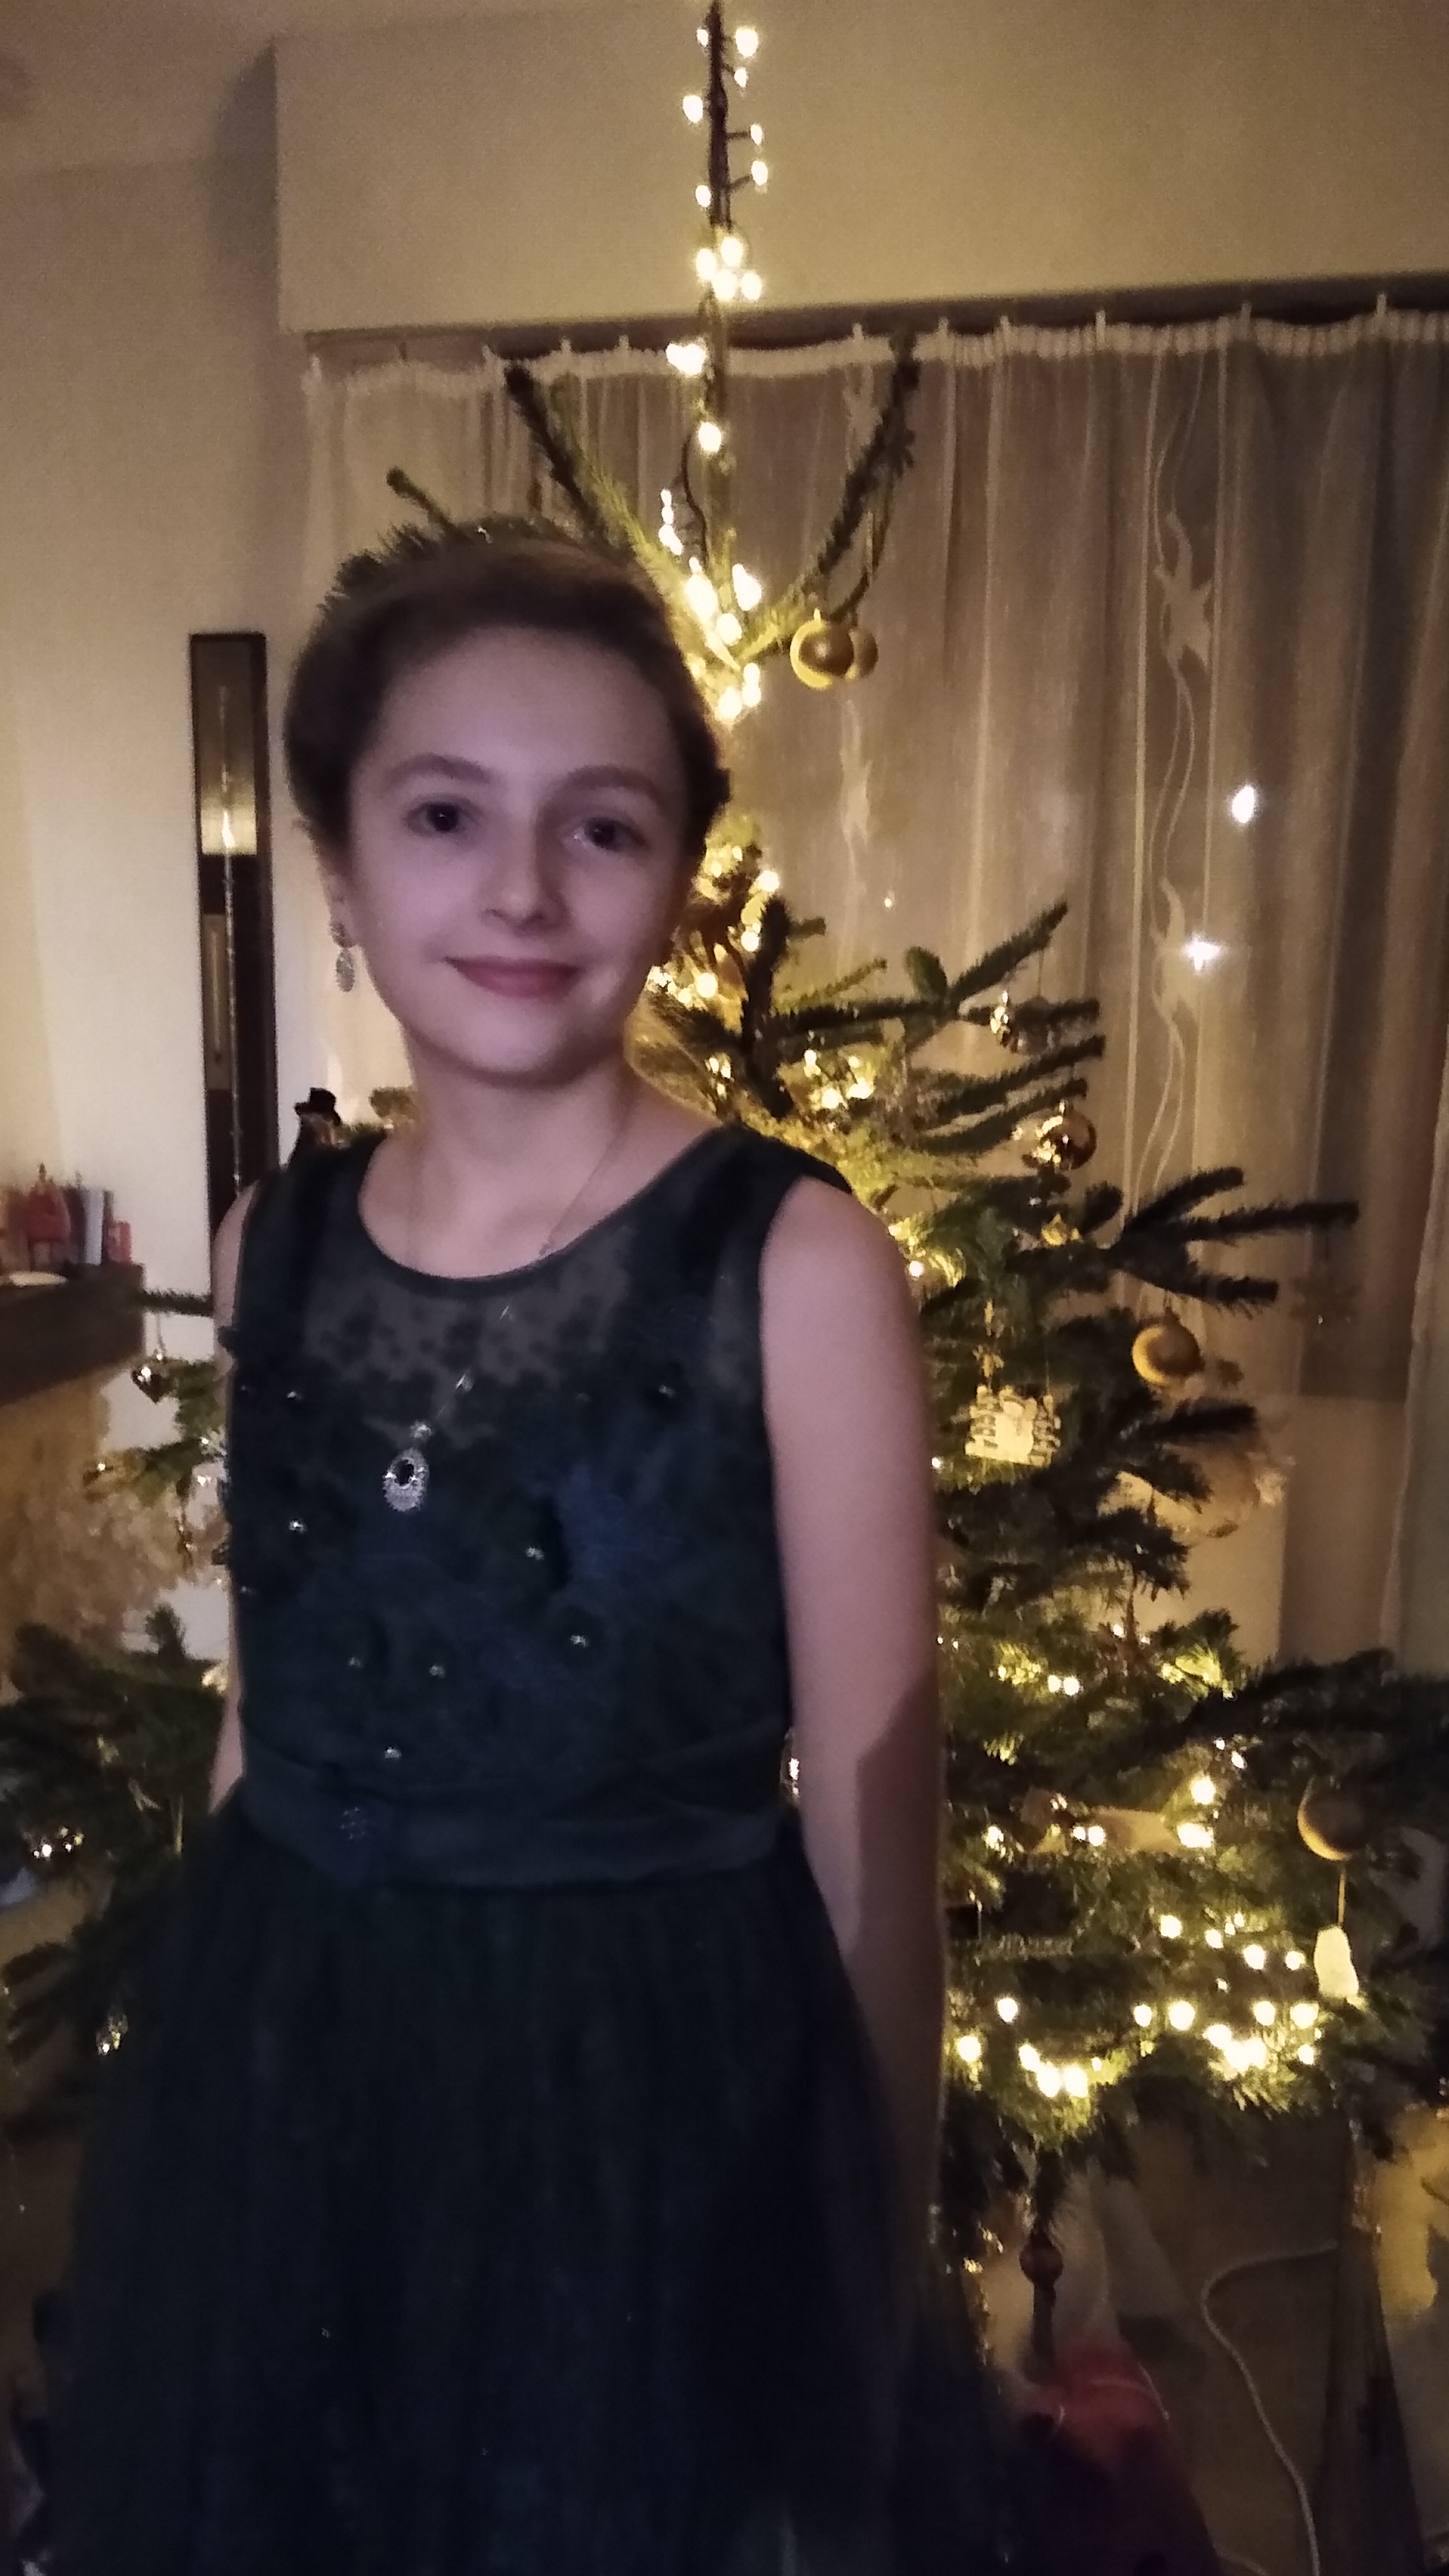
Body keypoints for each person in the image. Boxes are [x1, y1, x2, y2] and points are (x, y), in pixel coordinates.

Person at [54, 531, 989, 2574]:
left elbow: (872, 1849)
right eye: (445, 814)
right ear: (339, 861)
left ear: (677, 878)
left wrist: (852, 2291)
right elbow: (271, 1698)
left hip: (644, 2103)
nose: (522, 889)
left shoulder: (793, 1263)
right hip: (300, 2060)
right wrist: (216, 2068)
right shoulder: (271, 1241)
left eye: (603, 825)